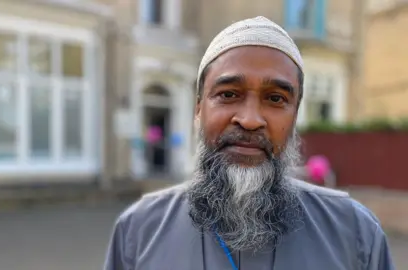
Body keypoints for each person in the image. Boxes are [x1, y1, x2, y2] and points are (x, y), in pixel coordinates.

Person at [103, 16, 395, 270]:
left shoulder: (355, 234)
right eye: (229, 94)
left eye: (276, 99)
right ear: (198, 109)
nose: (250, 119)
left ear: (295, 116)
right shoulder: (139, 231)